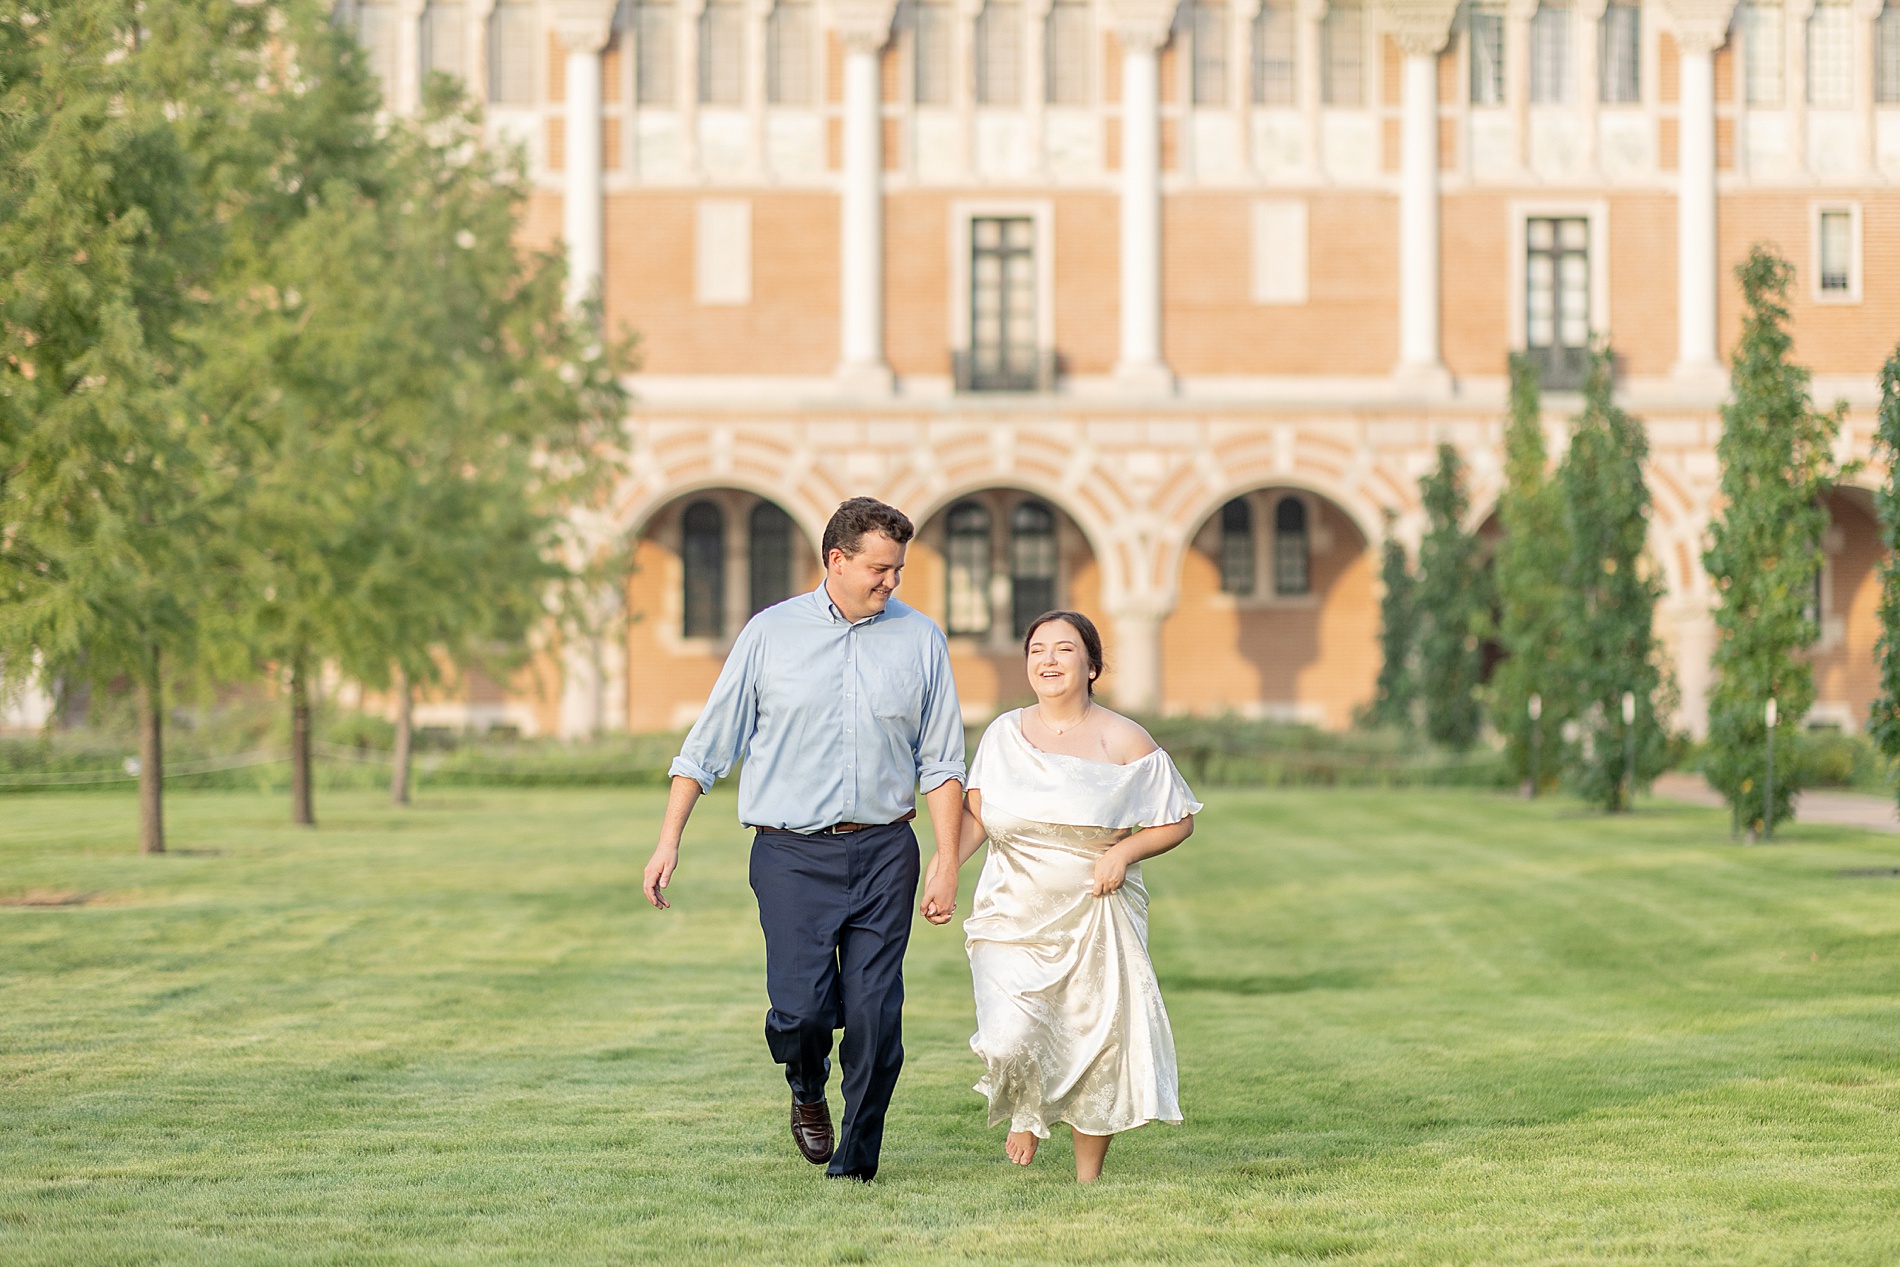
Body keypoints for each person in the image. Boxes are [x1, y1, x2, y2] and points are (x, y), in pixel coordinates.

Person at [642, 497, 967, 1183]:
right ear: (836, 560)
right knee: (801, 1011)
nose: (892, 582)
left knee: (877, 1017)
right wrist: (669, 840)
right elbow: (706, 747)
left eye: (899, 570)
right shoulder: (769, 635)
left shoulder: (920, 639)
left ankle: (855, 1159)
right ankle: (805, 1085)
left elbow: (941, 761)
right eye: (880, 569)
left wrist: (945, 858)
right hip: (790, 853)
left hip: (885, 850)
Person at [953, 609, 1200, 1183]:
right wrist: (942, 869)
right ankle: (1027, 1106)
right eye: (1038, 649)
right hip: (1010, 912)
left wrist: (1123, 853)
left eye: (1064, 650)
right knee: (1008, 1036)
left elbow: (1178, 819)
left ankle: (1087, 1182)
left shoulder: (1124, 738)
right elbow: (977, 819)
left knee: (1098, 1042)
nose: (1049, 660)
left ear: (1092, 665)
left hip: (1096, 912)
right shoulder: (1002, 736)